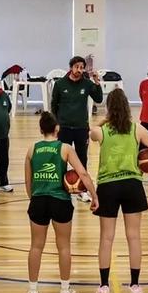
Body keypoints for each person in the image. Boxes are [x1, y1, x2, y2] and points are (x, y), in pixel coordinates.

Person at [90, 89, 148, 293]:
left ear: (108, 108)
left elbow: (92, 131)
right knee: (134, 237)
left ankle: (104, 286)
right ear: (127, 107)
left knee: (106, 238)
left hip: (108, 186)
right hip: (132, 185)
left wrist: (107, 118)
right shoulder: (137, 129)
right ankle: (134, 285)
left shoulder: (102, 131)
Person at [24, 112, 99, 293]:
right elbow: (82, 172)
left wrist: (35, 198)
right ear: (57, 128)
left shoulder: (32, 149)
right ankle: (65, 291)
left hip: (39, 200)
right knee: (63, 246)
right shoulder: (65, 148)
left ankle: (33, 291)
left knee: (35, 246)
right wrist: (93, 195)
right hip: (60, 200)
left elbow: (28, 181)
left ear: (41, 129)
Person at [51, 56, 104, 203]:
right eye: (77, 67)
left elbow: (99, 99)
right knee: (61, 159)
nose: (79, 70)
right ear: (71, 67)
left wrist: (97, 82)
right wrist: (56, 124)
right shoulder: (60, 84)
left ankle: (82, 190)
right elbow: (54, 105)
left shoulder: (87, 84)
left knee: (82, 159)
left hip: (81, 128)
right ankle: (60, 188)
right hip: (64, 128)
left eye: (82, 67)